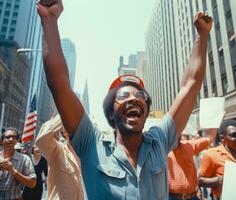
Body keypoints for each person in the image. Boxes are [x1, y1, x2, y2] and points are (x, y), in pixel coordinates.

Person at [36, 0, 213, 199]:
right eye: (124, 96)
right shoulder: (90, 142)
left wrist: (202, 36)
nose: (134, 99)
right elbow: (59, 85)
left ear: (145, 110)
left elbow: (190, 86)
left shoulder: (160, 141)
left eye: (140, 96)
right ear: (111, 112)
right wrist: (49, 19)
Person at [198, 120, 236, 200]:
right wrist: (221, 180)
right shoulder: (211, 154)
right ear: (222, 138)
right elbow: (199, 181)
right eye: (234, 135)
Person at [35, 115, 84, 200]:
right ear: (63, 131)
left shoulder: (86, 153)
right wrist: (65, 112)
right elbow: (41, 140)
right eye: (70, 124)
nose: (75, 127)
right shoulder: (57, 150)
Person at [168, 129, 217, 200]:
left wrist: (214, 121)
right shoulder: (162, 150)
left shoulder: (189, 145)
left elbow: (210, 139)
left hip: (193, 197)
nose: (176, 136)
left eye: (178, 133)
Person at [0, 128, 36, 199]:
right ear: (1, 141)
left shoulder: (25, 159)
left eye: (14, 137)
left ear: (17, 141)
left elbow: (32, 183)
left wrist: (13, 171)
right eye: (8, 137)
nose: (11, 139)